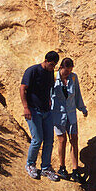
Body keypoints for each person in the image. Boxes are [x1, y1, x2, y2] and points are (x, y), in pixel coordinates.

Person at [20, 51, 61, 181]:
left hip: (46, 111)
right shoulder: (32, 71)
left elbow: (48, 88)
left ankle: (45, 168)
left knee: (49, 140)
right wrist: (26, 107)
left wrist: (48, 99)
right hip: (33, 110)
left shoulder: (50, 73)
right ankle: (30, 165)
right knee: (37, 139)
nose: (52, 68)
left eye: (54, 65)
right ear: (46, 60)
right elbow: (22, 88)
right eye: (51, 64)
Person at [50, 57, 88, 180]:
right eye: (66, 71)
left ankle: (75, 169)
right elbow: (48, 95)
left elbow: (77, 94)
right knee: (62, 140)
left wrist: (82, 108)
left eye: (70, 71)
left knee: (74, 140)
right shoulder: (53, 78)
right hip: (58, 115)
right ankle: (62, 167)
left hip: (71, 114)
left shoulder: (73, 77)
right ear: (61, 68)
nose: (68, 74)